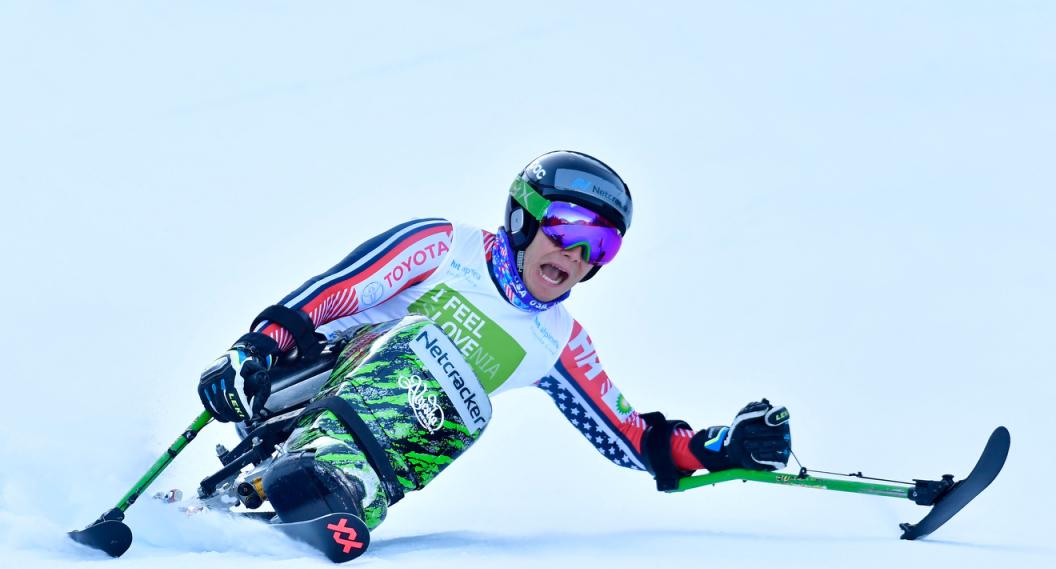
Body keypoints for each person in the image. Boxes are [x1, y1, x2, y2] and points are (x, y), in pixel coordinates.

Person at [196, 150, 791, 530]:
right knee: (429, 347)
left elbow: (630, 438)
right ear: (523, 220)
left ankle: (347, 490)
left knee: (468, 404)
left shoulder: (559, 342)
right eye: (565, 230)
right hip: (300, 382)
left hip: (380, 445)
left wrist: (720, 448)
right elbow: (339, 289)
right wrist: (257, 345)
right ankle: (322, 466)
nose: (575, 255)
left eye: (600, 246)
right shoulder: (443, 247)